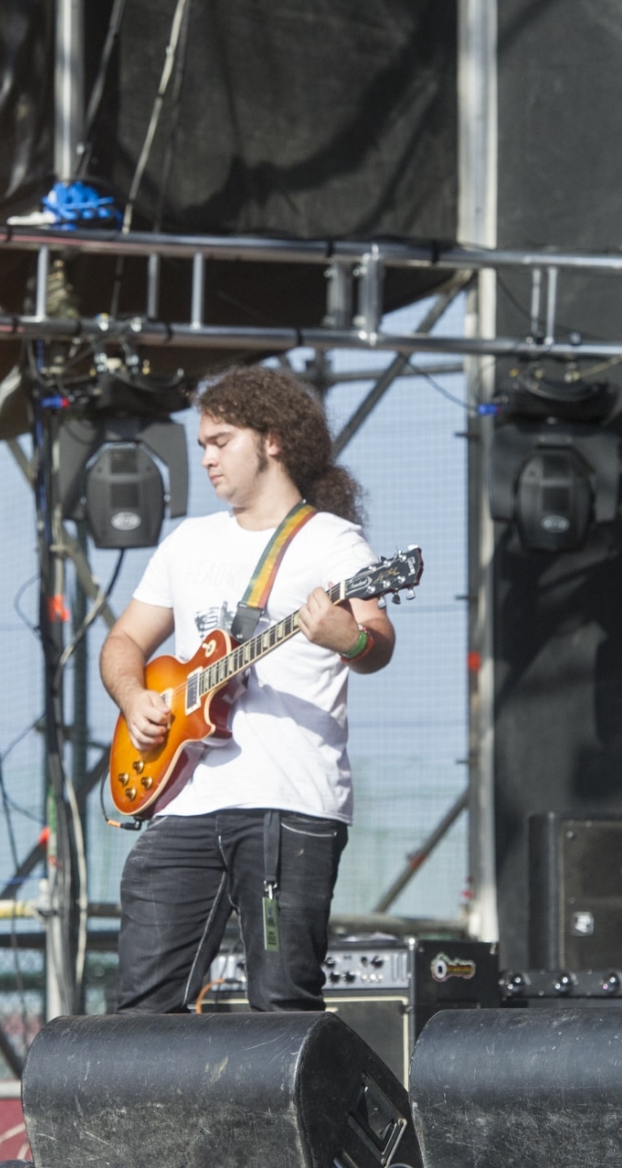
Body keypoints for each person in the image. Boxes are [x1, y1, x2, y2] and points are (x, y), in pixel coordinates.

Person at [101, 366, 396, 1013]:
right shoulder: (188, 542)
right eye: (202, 444)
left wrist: (344, 637)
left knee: (282, 1003)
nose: (206, 458)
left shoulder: (331, 540)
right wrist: (133, 698)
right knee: (141, 1006)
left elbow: (377, 641)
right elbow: (123, 642)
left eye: (221, 441)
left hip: (287, 802)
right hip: (183, 801)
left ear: (272, 440)